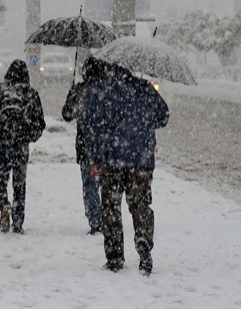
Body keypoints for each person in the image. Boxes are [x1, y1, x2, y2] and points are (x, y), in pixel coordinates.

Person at [83, 64, 169, 276]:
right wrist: (143, 121)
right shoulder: (145, 88)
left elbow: (92, 126)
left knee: (111, 207)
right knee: (141, 204)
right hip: (141, 160)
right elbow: (163, 116)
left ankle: (114, 257)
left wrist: (94, 159)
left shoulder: (101, 90)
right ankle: (143, 244)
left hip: (111, 160)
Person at [0, 59, 46, 234]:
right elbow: (40, 122)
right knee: (19, 183)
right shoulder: (30, 93)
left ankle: (4, 205)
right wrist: (28, 136)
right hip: (20, 144)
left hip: (0, 143)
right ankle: (17, 221)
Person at [61, 57, 106, 235]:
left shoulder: (80, 90)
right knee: (107, 184)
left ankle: (95, 221)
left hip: (86, 144)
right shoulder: (108, 91)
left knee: (90, 185)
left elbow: (66, 114)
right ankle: (109, 217)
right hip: (107, 145)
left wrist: (72, 93)